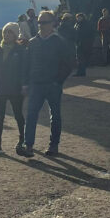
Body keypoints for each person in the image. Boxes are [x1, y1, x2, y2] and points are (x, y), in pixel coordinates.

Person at [22, 10, 75, 157]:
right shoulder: (33, 42)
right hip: (36, 84)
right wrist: (26, 83)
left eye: (44, 22)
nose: (41, 25)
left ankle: (53, 145)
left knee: (55, 115)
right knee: (31, 115)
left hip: (52, 85)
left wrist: (57, 81)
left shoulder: (59, 42)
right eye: (39, 22)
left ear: (52, 23)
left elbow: (69, 64)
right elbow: (27, 65)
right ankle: (29, 145)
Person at [0, 23, 27, 156]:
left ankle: (23, 140)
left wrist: (24, 85)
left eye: (10, 32)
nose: (6, 34)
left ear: (15, 35)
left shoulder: (20, 50)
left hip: (15, 88)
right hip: (0, 88)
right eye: (5, 32)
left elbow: (24, 70)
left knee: (18, 115)